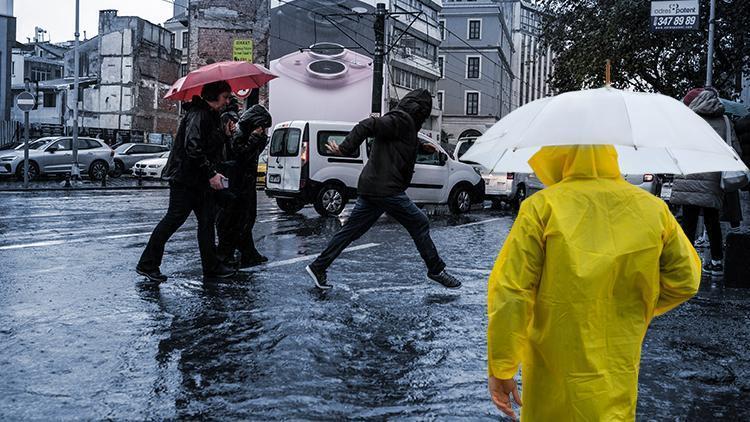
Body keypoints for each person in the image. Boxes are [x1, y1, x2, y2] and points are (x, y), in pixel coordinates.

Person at [486, 145, 701, 421]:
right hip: (618, 368)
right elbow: (686, 279)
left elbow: (511, 291)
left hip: (552, 373)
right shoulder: (654, 209)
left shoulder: (542, 207)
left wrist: (502, 368)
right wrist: (635, 306)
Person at [305, 88, 461, 290]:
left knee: (351, 232)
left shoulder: (405, 125)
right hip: (386, 189)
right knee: (419, 222)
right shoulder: (401, 120)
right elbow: (367, 124)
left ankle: (319, 266)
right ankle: (436, 269)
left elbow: (398, 142)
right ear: (420, 112)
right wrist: (345, 148)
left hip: (372, 188)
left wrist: (423, 148)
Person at [136, 80, 237, 281]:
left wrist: (225, 136)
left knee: (207, 222)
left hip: (199, 181)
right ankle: (147, 264)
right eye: (225, 97)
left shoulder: (211, 115)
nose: (227, 101)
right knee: (173, 220)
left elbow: (211, 148)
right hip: (185, 179)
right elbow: (193, 148)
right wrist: (211, 173)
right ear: (213, 96)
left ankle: (212, 267)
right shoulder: (198, 115)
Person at [671, 87, 742, 276]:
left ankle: (686, 263)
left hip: (689, 175)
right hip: (713, 178)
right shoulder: (725, 121)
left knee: (688, 222)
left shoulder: (687, 120)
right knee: (713, 221)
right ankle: (717, 263)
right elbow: (735, 150)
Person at [216, 104, 273, 268]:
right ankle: (227, 254)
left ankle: (247, 252)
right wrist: (255, 139)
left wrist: (259, 139)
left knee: (246, 218)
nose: (263, 130)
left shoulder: (248, 133)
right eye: (262, 126)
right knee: (237, 219)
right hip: (238, 183)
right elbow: (242, 155)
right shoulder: (240, 133)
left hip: (245, 183)